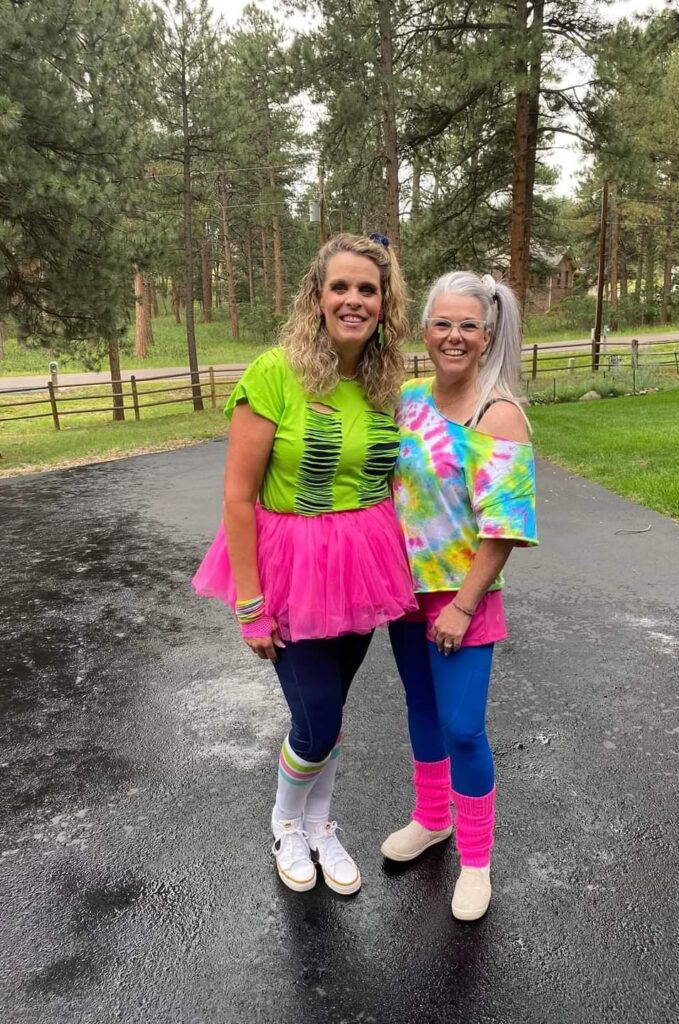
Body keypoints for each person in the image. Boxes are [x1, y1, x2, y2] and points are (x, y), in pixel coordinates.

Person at [193, 233, 416, 897]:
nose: (353, 300)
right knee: (315, 717)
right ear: (316, 297)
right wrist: (251, 605)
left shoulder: (385, 382)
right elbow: (238, 497)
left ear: (384, 304)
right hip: (289, 569)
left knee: (332, 710)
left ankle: (321, 826)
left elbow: (397, 478)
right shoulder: (274, 373)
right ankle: (286, 820)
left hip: (365, 566)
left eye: (367, 289)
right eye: (340, 286)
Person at [382, 271, 538, 921]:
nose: (454, 336)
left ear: (487, 333)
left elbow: (506, 528)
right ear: (424, 331)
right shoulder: (409, 400)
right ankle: (430, 819)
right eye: (442, 323)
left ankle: (476, 860)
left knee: (463, 727)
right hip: (404, 591)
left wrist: (464, 603)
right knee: (422, 710)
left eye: (467, 325)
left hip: (462, 595)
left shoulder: (497, 413)